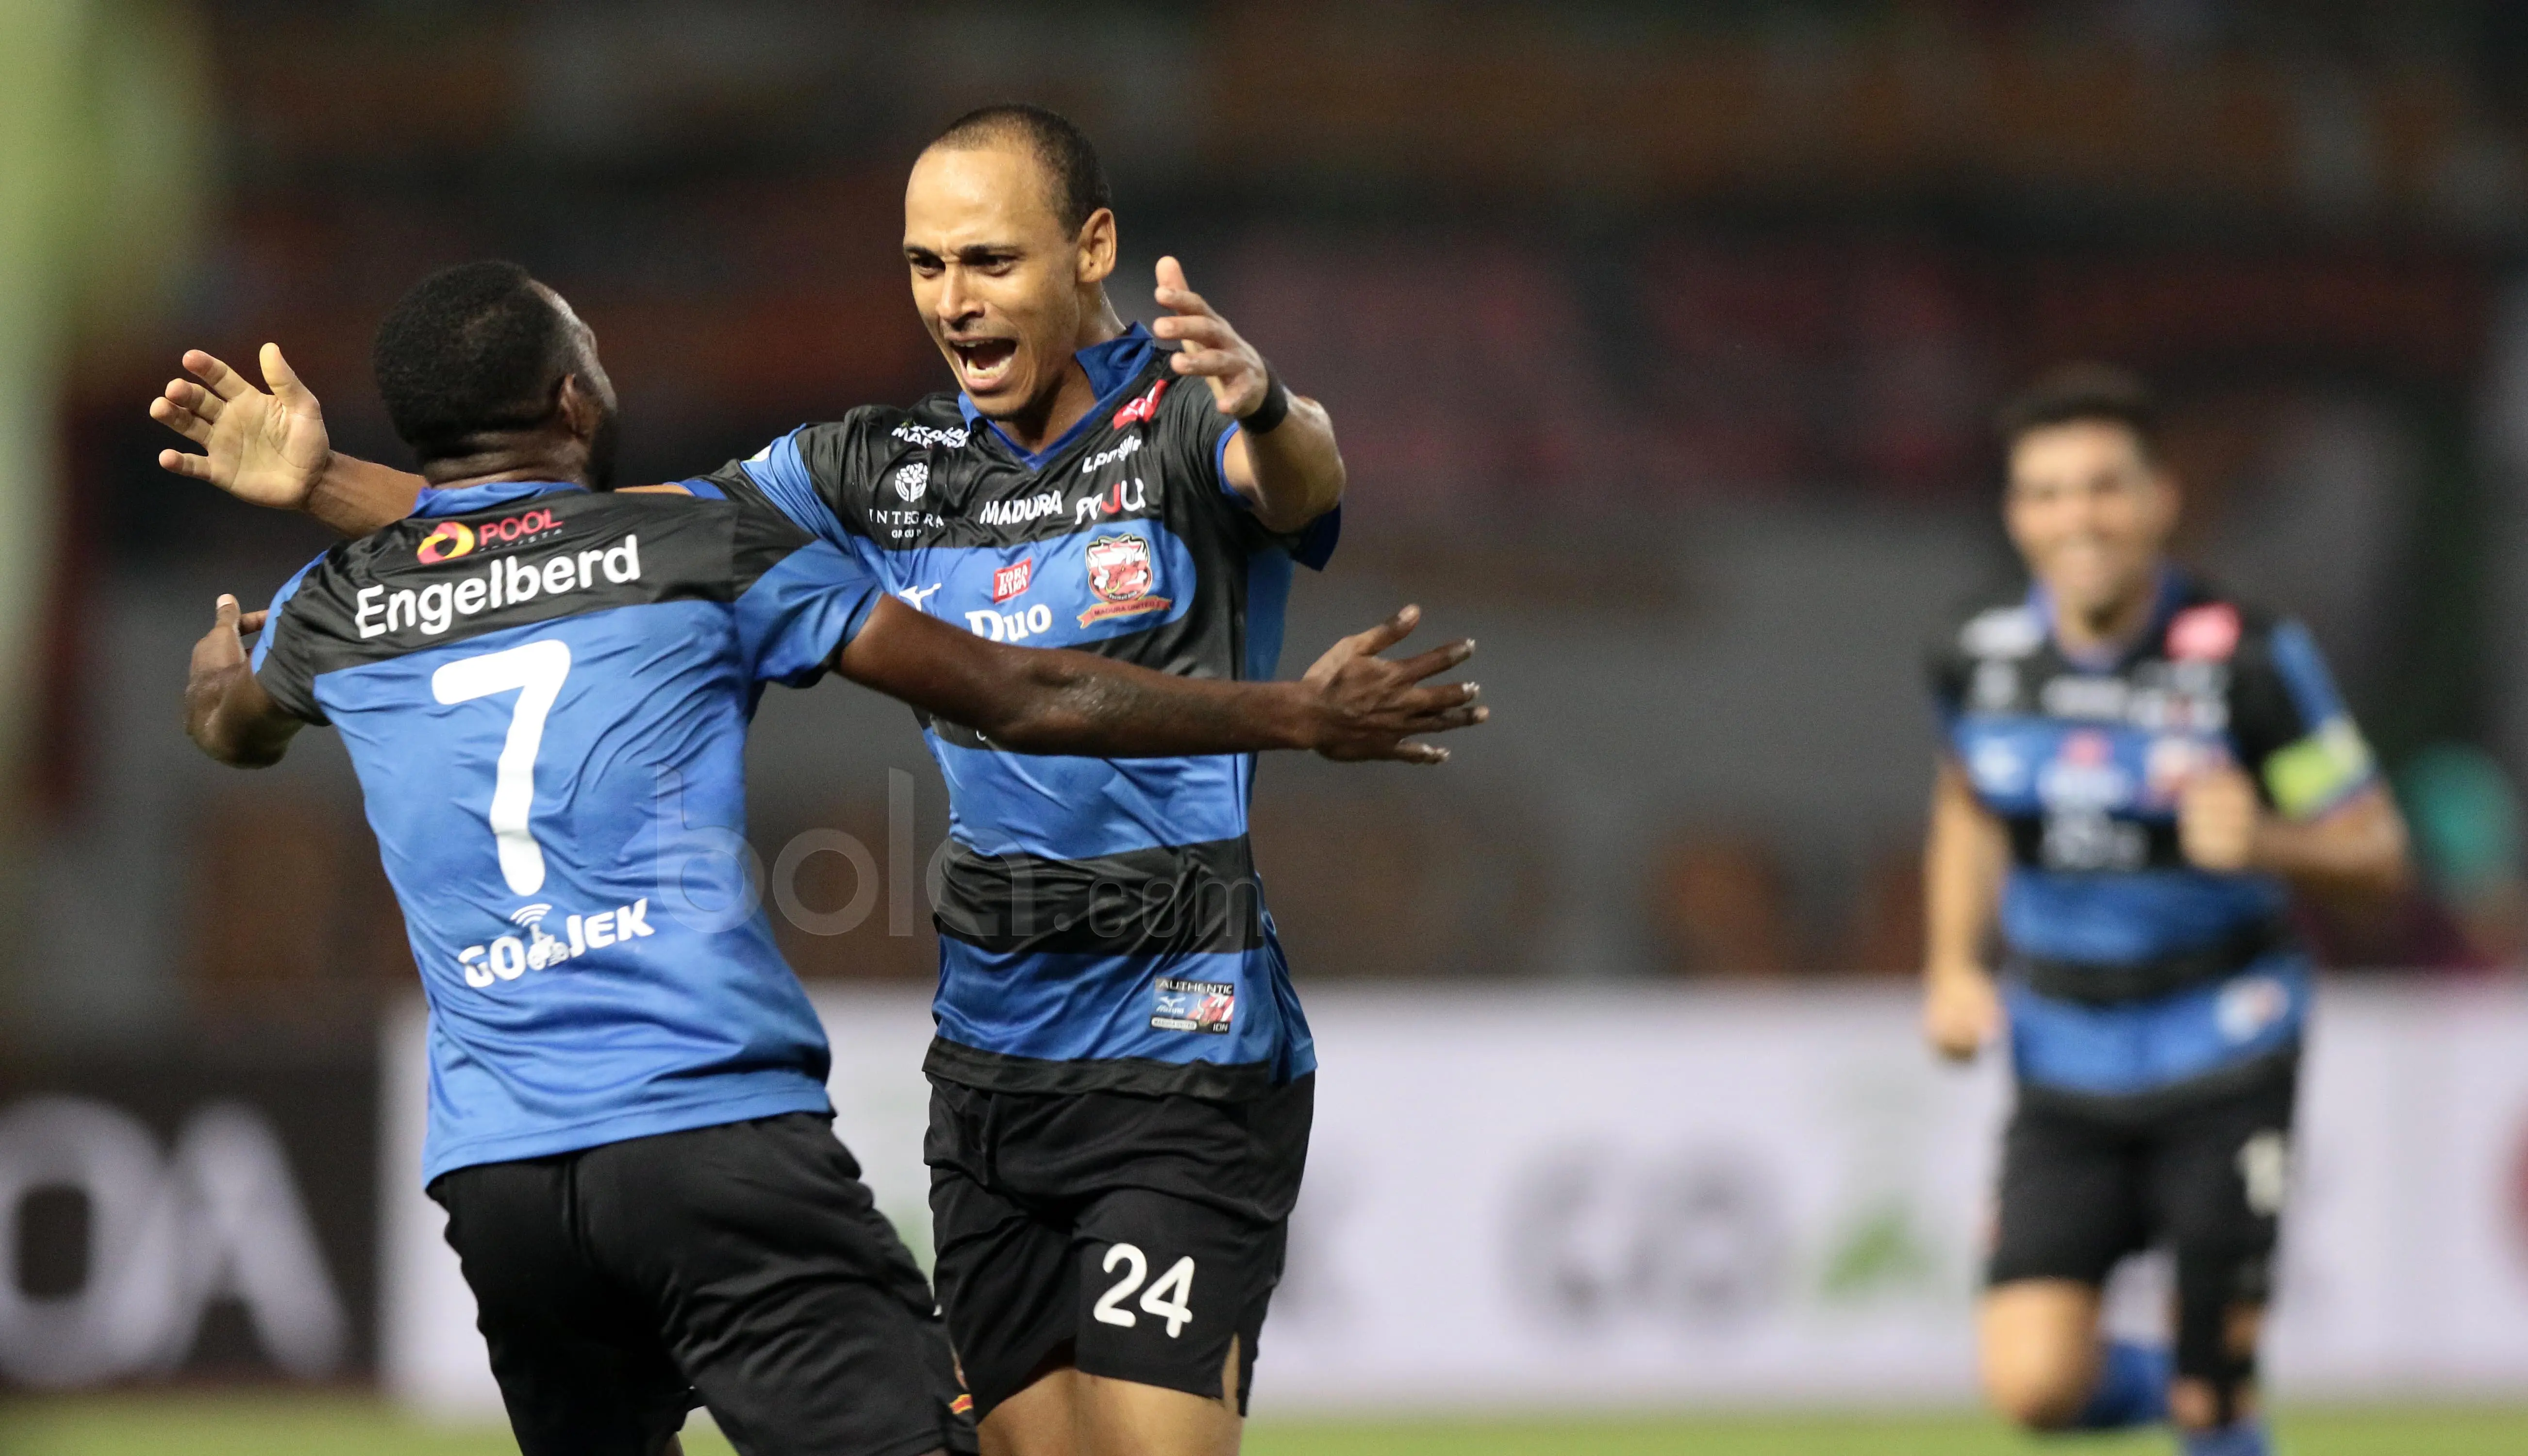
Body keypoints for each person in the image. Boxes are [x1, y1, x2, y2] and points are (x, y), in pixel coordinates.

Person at [154, 105, 1361, 1456]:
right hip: (995, 1060)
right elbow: (599, 536)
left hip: (1183, 1027)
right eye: (924, 266)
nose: (953, 302)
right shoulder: (867, 463)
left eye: (987, 261)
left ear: (1092, 250)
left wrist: (1269, 400)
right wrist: (326, 484)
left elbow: (1294, 480)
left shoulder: (1184, 411)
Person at [1920, 365, 2409, 1456]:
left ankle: (2215, 1396)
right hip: (2061, 1058)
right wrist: (1954, 965)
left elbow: (2380, 852)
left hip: (2225, 1051)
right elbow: (1966, 808)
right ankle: (2205, 1393)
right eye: (2046, 493)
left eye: (2102, 487)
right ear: (2015, 513)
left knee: (2213, 1391)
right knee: (2036, 1388)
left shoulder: (2251, 659)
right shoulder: (1978, 659)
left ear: (2159, 500)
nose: (2075, 517)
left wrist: (2274, 839)